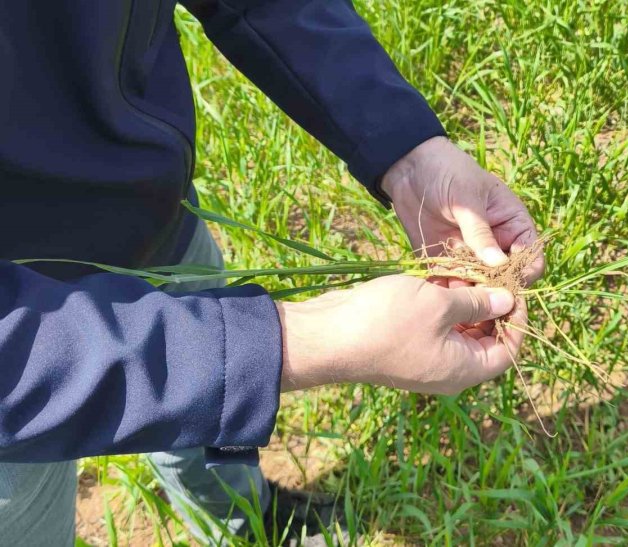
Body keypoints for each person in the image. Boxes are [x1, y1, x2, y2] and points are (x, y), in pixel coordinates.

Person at [0, 0, 544, 543]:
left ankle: (246, 521)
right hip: (19, 400)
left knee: (210, 418)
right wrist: (291, 343)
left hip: (155, 220)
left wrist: (407, 151)